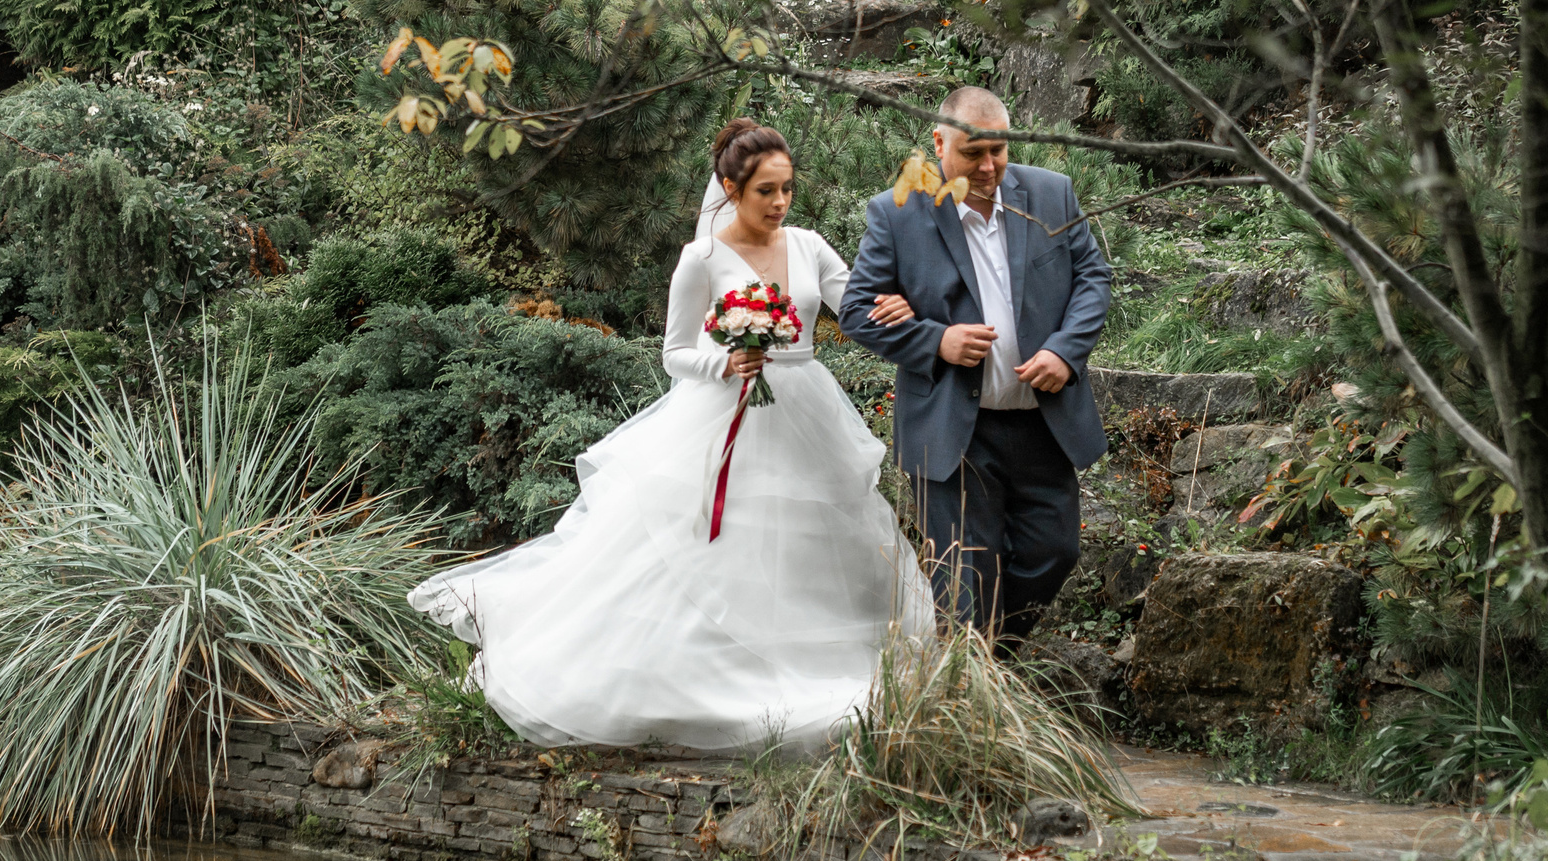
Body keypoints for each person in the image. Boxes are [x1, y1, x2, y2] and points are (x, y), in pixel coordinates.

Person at [406, 118, 935, 755]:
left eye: (788, 188)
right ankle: (709, 674)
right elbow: (675, 352)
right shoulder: (702, 259)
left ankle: (809, 657)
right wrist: (726, 363)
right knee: (717, 543)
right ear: (731, 189)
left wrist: (890, 304)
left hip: (806, 412)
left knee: (806, 539)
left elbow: (854, 303)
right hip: (721, 413)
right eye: (766, 190)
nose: (780, 202)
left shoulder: (809, 245)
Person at [838, 85, 1112, 650]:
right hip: (953, 430)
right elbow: (857, 311)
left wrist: (1065, 351)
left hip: (1042, 423)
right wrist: (936, 340)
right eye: (973, 153)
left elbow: (1093, 277)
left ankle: (992, 665)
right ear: (939, 144)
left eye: (998, 150)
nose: (988, 166)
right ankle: (973, 682)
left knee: (1055, 551)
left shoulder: (1052, 194)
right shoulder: (896, 212)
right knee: (965, 581)